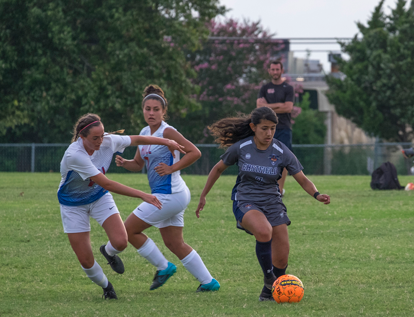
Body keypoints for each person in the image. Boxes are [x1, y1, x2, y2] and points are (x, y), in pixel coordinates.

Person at [195, 107, 330, 301]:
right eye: (264, 128)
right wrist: (203, 196)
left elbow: (302, 179)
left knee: (282, 257)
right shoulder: (241, 148)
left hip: (272, 202)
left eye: (273, 128)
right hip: (246, 200)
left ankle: (269, 292)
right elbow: (217, 169)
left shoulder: (281, 151)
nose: (269, 133)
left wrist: (317, 195)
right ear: (253, 127)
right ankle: (269, 279)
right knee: (265, 231)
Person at [58, 113, 185, 299]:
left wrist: (166, 142)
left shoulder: (108, 141)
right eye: (95, 138)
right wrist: (143, 195)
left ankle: (107, 252)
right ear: (81, 137)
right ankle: (106, 287)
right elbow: (107, 184)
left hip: (98, 197)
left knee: (120, 241)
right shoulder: (75, 155)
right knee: (86, 260)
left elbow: (137, 139)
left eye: (102, 135)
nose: (101, 141)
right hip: (73, 205)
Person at [115, 85, 220, 292]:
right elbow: (138, 164)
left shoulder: (167, 131)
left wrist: (172, 167)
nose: (151, 113)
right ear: (143, 110)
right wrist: (125, 163)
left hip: (170, 194)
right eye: (148, 109)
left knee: (127, 230)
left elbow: (194, 152)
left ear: (164, 112)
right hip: (170, 195)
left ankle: (164, 267)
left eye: (156, 109)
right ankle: (209, 283)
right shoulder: (145, 132)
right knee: (174, 243)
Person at [256, 60, 295, 196]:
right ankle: (266, 187)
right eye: (272, 69)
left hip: (283, 128)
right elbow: (259, 107)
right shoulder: (265, 88)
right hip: (266, 129)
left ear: (282, 70)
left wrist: (269, 106)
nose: (275, 72)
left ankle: (279, 190)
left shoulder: (288, 88)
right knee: (265, 157)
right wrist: (279, 106)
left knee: (283, 159)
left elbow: (288, 107)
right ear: (269, 71)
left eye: (277, 69)